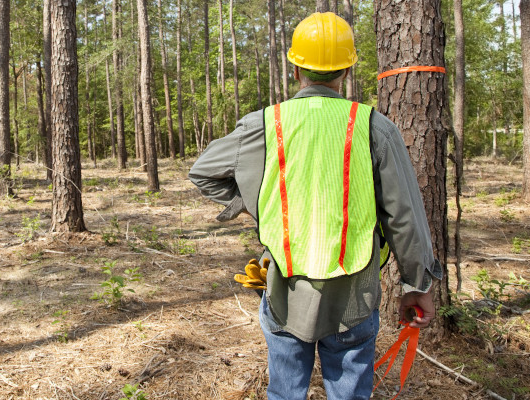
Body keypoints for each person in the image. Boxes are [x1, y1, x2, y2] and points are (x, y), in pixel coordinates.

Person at [188, 12, 443, 400]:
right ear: (346, 70)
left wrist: (257, 204)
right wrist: (417, 285)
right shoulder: (373, 126)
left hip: (284, 291)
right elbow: (404, 217)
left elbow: (204, 171)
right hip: (355, 296)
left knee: (285, 392)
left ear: (295, 69)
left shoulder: (266, 124)